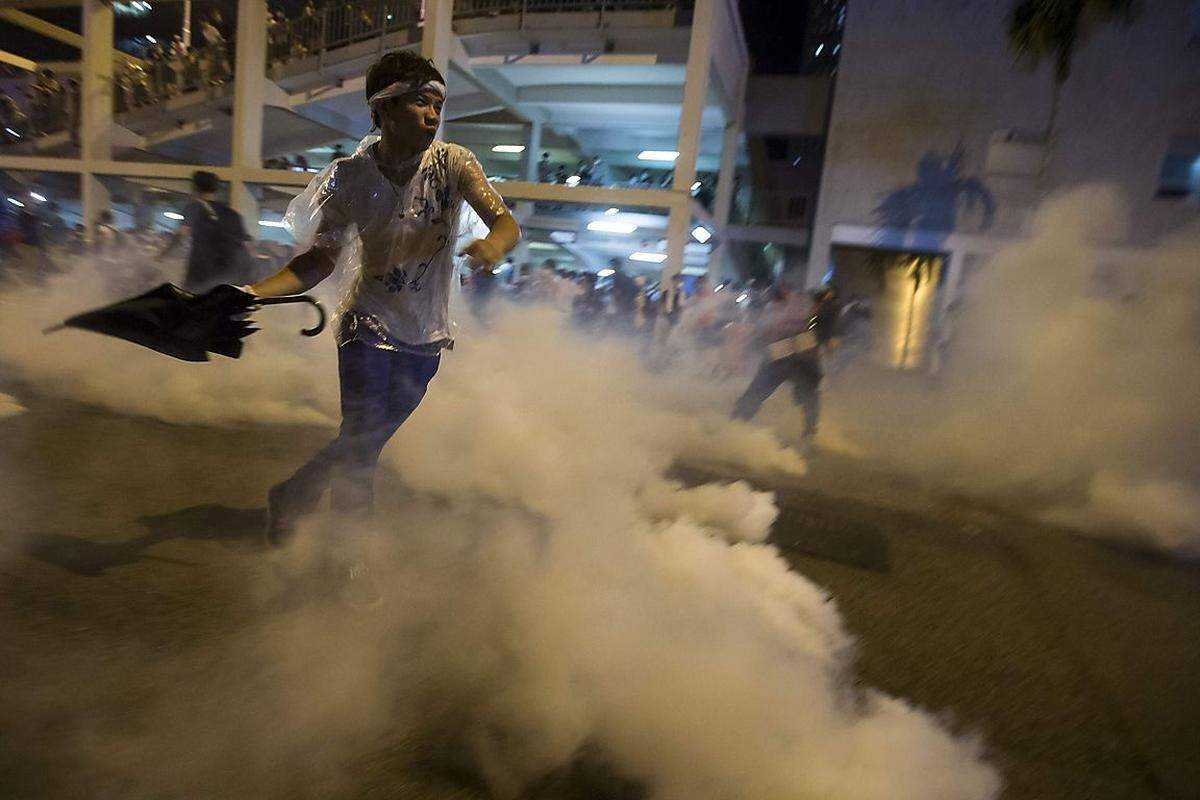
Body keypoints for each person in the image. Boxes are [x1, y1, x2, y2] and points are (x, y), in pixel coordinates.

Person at [245, 51, 520, 602]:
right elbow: (319, 261)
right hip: (366, 327)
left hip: (426, 336)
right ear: (382, 109)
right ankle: (346, 562)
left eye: (438, 103)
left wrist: (493, 245)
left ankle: (294, 493)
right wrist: (254, 292)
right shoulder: (349, 180)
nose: (432, 113)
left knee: (360, 440)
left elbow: (504, 219)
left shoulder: (454, 165)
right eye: (420, 100)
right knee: (364, 443)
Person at [732, 285, 839, 448]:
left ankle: (737, 422)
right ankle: (737, 423)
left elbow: (765, 333)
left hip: (794, 359)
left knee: (806, 397)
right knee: (805, 397)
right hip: (785, 357)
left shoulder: (809, 314)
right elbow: (767, 332)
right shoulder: (798, 313)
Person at [159, 170, 253, 292]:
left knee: (192, 305)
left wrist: (163, 255)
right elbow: (246, 244)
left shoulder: (194, 207)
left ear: (194, 187)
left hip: (202, 272)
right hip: (230, 273)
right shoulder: (232, 214)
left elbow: (182, 234)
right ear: (216, 189)